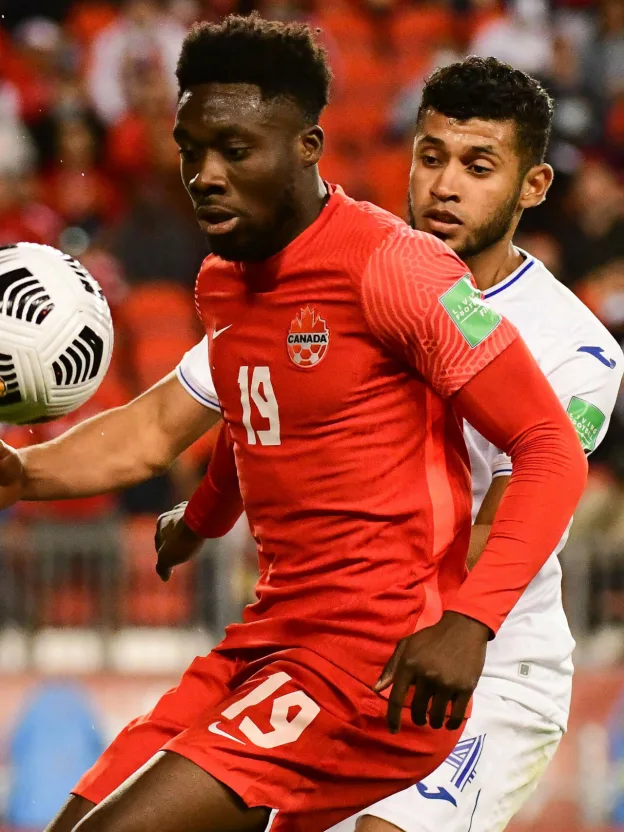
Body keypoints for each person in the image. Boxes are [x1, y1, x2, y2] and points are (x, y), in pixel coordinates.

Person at [0, 18, 587, 832]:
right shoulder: (225, 284)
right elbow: (259, 418)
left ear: (308, 146)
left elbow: (550, 449)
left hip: (377, 655)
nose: (204, 175)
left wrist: (467, 623)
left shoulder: (397, 270)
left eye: (234, 151)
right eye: (191, 149)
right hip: (269, 637)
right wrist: (198, 516)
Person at [154, 57, 624, 832]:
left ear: (533, 187)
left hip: (484, 664)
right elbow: (257, 408)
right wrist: (205, 513)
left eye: (478, 166)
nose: (444, 185)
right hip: (351, 653)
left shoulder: (577, 347)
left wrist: (426, 616)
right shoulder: (358, 274)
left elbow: (507, 511)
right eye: (431, 157)